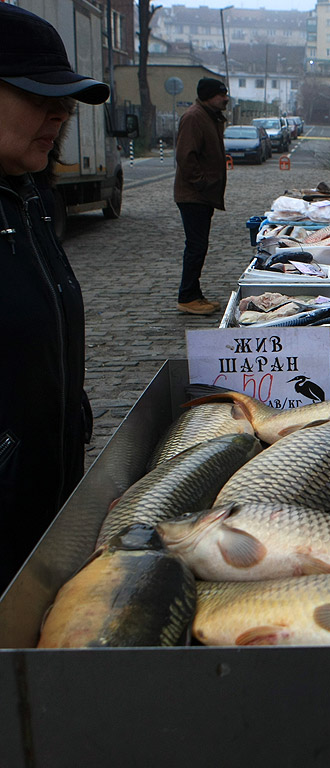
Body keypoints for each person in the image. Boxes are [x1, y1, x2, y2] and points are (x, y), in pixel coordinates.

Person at [0, 4, 110, 587]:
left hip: (47, 507)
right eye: (40, 97)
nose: (62, 113)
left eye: (65, 101)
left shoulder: (30, 197)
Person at [174, 77, 229, 315]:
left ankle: (194, 293)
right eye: (221, 94)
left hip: (201, 195)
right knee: (196, 246)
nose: (225, 98)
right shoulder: (195, 117)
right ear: (208, 96)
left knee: (199, 245)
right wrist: (202, 183)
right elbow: (186, 157)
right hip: (194, 195)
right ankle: (187, 296)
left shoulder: (209, 117)